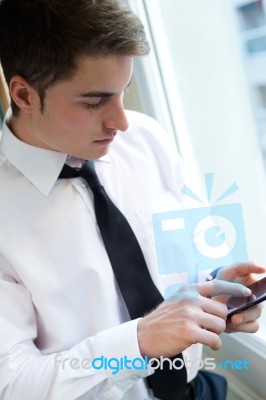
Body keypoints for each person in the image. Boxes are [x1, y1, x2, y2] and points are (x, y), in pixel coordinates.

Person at [0, 1, 265, 399]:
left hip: (201, 388)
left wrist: (215, 289)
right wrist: (138, 342)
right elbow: (13, 384)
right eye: (94, 102)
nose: (121, 121)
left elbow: (181, 263)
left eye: (124, 91)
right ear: (23, 94)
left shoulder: (146, 138)